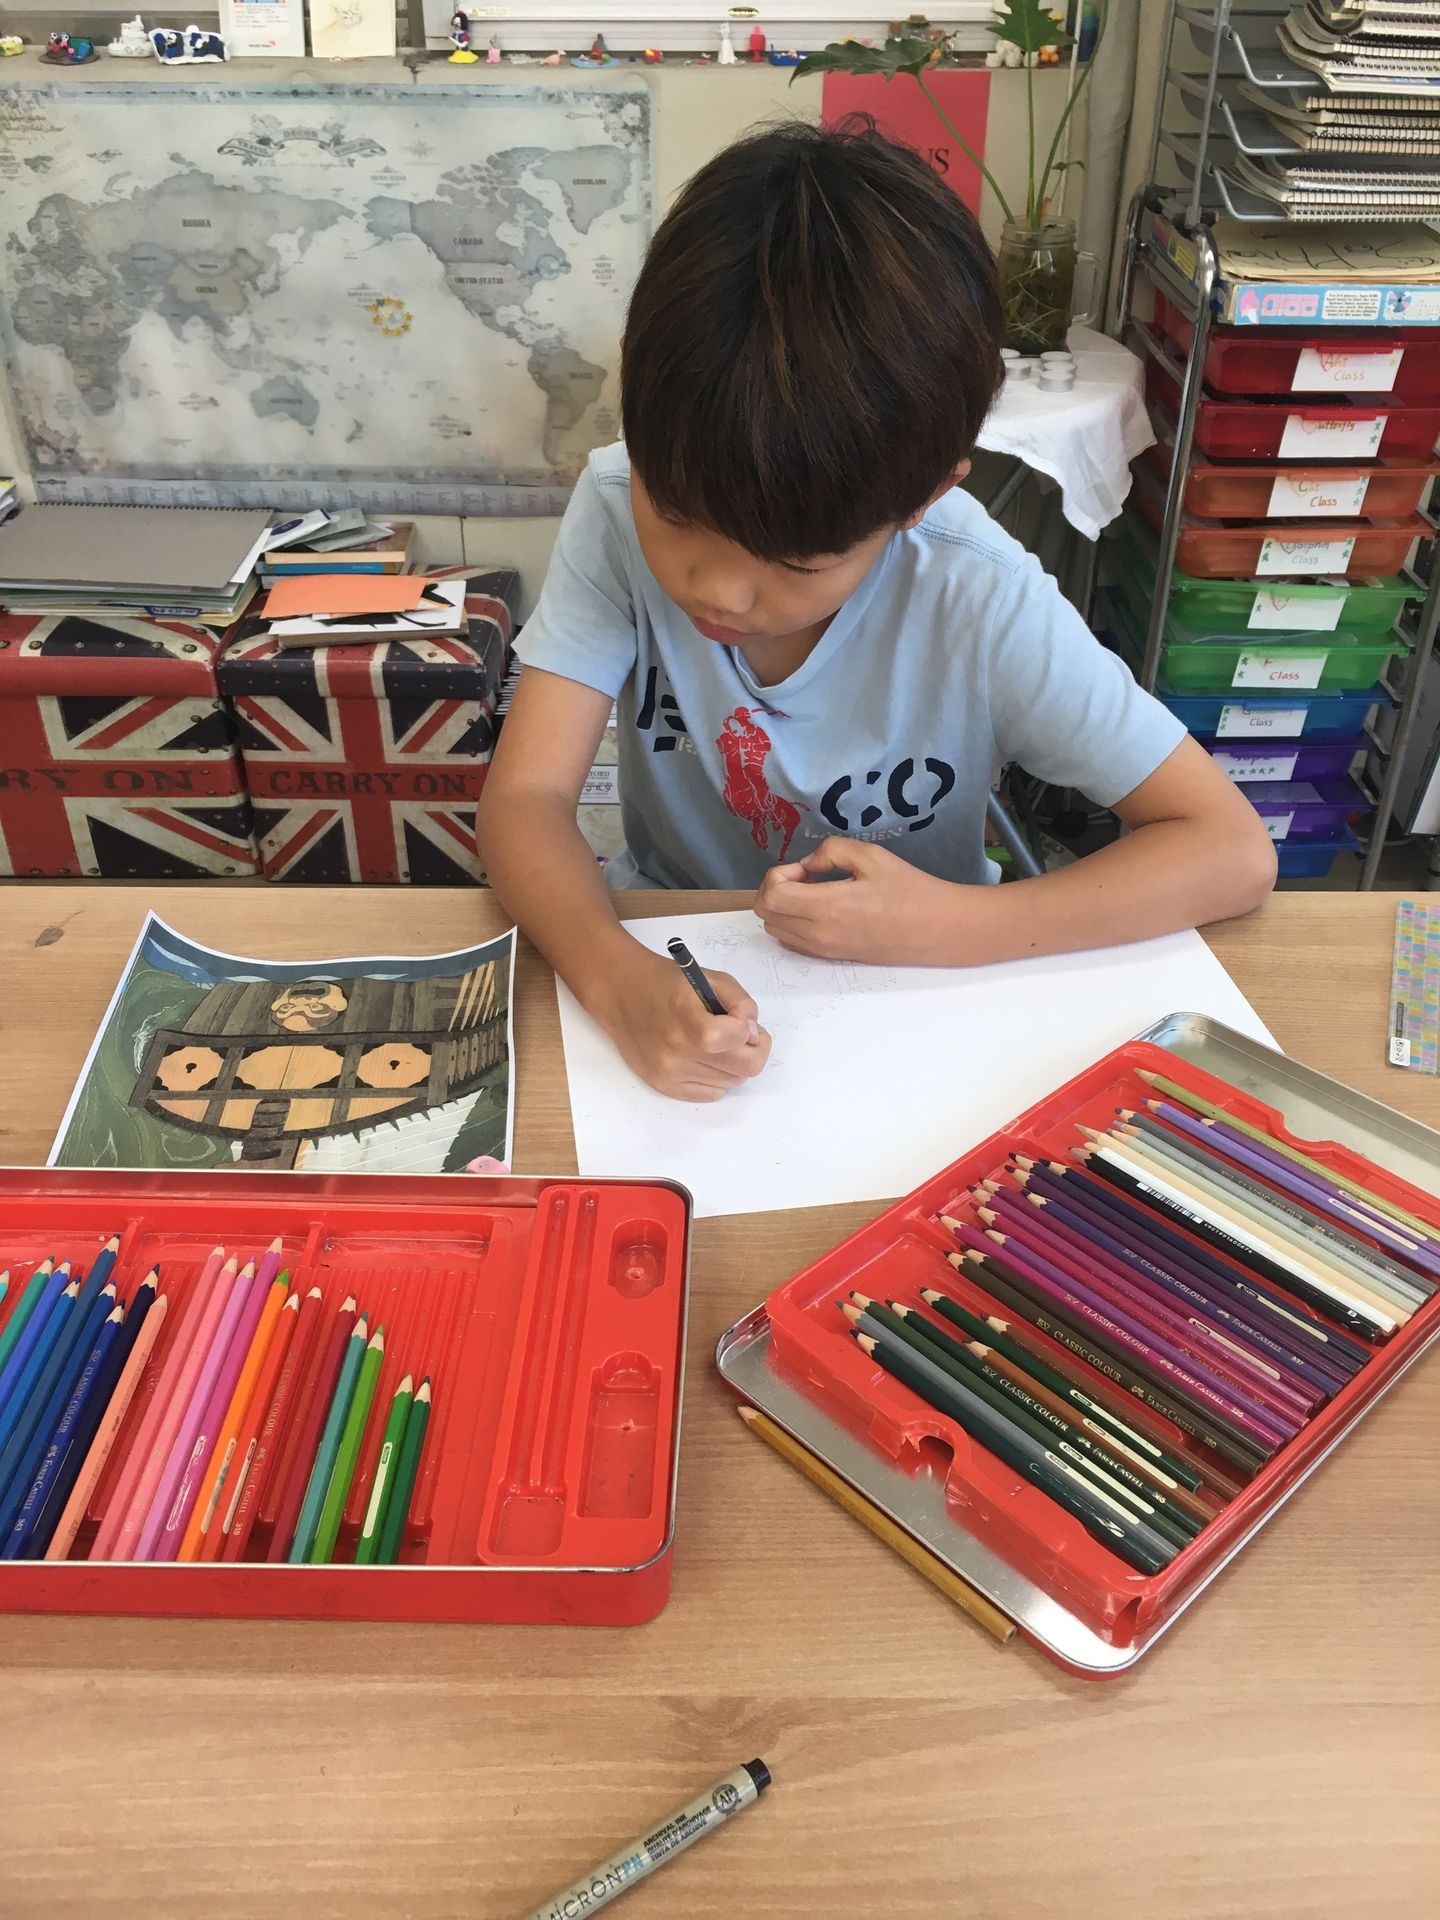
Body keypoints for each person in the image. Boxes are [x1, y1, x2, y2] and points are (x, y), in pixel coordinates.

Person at [477, 122, 1276, 1103]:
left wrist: (953, 926)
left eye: (797, 562)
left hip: (923, 997)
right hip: (673, 949)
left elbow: (1229, 849)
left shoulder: (975, 591)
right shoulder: (610, 506)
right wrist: (616, 978)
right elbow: (526, 802)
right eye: (676, 515)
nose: (716, 591)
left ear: (926, 497)